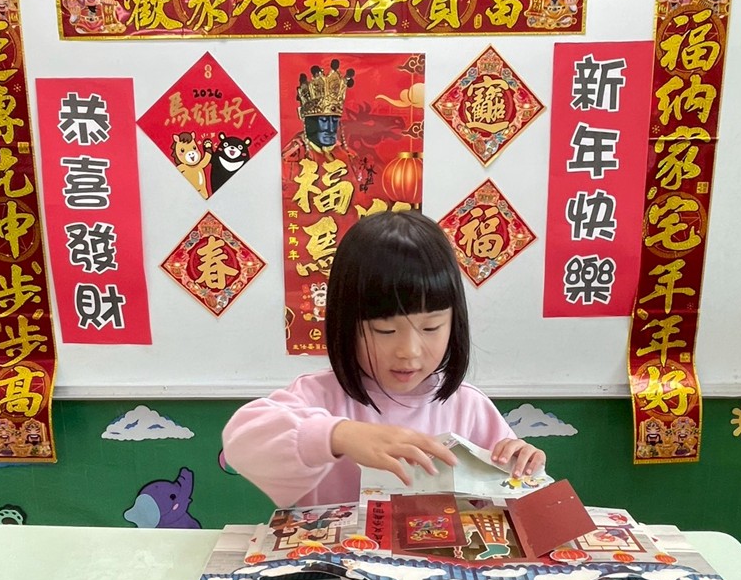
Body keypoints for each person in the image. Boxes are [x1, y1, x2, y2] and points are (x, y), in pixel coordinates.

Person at [222, 210, 546, 508]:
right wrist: (339, 435)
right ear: (346, 325)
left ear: (454, 323)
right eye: (384, 330)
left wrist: (523, 467)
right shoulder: (318, 396)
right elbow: (240, 443)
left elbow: (515, 506)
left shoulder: (469, 408)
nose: (409, 351)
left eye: (431, 327)